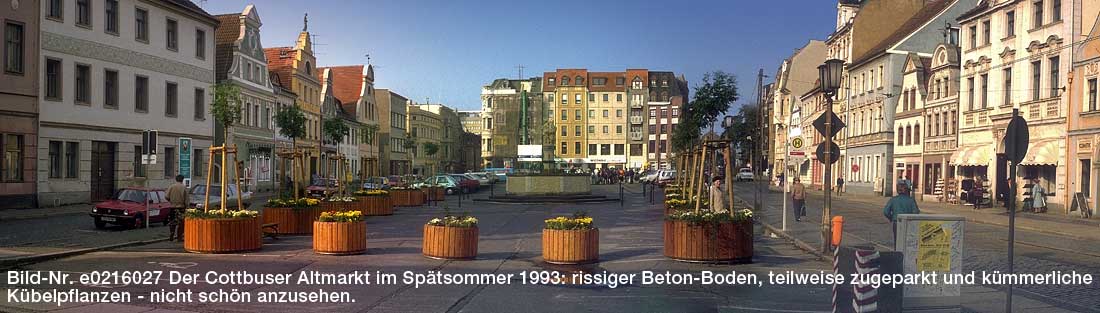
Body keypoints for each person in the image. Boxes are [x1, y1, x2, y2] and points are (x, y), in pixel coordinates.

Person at [165, 175, 189, 242]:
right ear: (182, 180)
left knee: (172, 222)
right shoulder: (184, 187)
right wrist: (187, 206)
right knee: (181, 223)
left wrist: (170, 201)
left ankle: (171, 234)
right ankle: (179, 237)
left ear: (176, 179)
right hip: (181, 207)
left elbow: (166, 196)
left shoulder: (171, 187)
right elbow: (186, 199)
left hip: (172, 207)